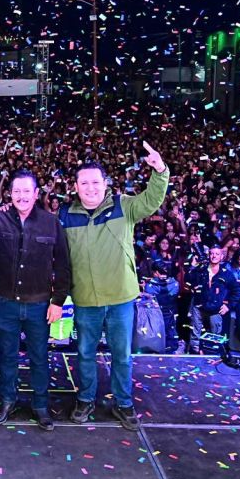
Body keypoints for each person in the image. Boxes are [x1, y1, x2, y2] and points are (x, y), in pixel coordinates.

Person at [59, 143, 168, 429]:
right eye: (84, 183)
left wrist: (160, 171)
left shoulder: (124, 205)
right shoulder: (65, 214)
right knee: (84, 353)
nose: (90, 188)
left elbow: (152, 200)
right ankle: (85, 399)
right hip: (84, 300)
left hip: (120, 299)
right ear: (76, 186)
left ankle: (124, 403)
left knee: (122, 355)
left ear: (105, 183)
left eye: (95, 182)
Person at [0, 168, 71, 430]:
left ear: (36, 194)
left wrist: (58, 301)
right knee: (7, 356)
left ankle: (40, 405)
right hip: (7, 303)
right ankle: (7, 400)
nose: (22, 196)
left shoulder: (51, 222)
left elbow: (63, 264)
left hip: (39, 304)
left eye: (27, 191)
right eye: (17, 191)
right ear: (10, 194)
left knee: (39, 357)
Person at [186, 244, 240, 353]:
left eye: (217, 254)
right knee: (195, 333)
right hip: (198, 306)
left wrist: (228, 306)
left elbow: (238, 292)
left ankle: (211, 354)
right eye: (211, 253)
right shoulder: (201, 270)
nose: (214, 256)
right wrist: (192, 267)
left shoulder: (226, 274)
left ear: (222, 257)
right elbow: (188, 280)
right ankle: (195, 354)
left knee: (215, 335)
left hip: (215, 309)